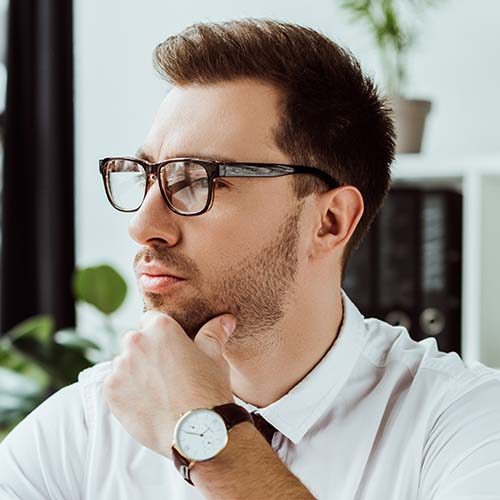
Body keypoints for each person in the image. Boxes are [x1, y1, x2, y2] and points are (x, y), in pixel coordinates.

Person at [1, 18, 499, 500]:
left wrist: (206, 436)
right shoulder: (84, 429)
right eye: (147, 176)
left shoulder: (464, 424)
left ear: (330, 221)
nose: (142, 225)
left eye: (197, 180)